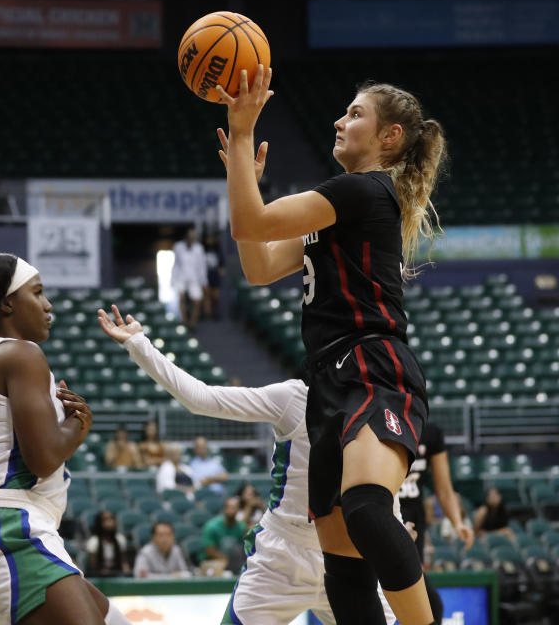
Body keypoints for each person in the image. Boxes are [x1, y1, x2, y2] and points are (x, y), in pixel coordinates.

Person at [217, 66, 446, 624]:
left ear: (389, 137)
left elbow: (251, 225)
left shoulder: (361, 189)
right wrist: (242, 172)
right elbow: (259, 263)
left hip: (372, 364)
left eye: (356, 113)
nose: (340, 121)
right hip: (326, 380)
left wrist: (243, 132)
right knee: (342, 568)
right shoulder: (338, 210)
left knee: (367, 510)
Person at [98, 303, 399, 623]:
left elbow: (383, 489)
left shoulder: (381, 410)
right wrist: (139, 344)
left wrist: (394, 535)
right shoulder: (293, 399)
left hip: (349, 555)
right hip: (282, 557)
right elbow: (201, 398)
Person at [0, 252, 130, 624]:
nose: (48, 305)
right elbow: (44, 457)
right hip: (8, 528)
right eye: (38, 293)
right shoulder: (20, 353)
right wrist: (78, 425)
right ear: (7, 303)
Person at [398, 422, 474, 621]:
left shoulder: (430, 432)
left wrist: (458, 523)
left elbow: (444, 488)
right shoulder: (379, 419)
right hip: (384, 512)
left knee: (428, 606)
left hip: (414, 516)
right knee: (426, 604)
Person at [172, 227, 207, 329]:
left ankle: (192, 323)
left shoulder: (199, 249)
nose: (191, 239)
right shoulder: (178, 246)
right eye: (189, 237)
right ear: (186, 237)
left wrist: (204, 281)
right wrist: (173, 280)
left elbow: (201, 266)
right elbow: (176, 264)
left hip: (194, 279)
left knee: (196, 302)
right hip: (181, 277)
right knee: (181, 298)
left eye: (193, 237)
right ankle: (184, 320)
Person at [200, 497, 246, 569]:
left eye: (233, 508)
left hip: (235, 562)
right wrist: (229, 561)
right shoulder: (212, 526)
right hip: (214, 562)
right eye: (229, 507)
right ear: (224, 509)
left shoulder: (241, 527)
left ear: (239, 510)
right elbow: (209, 552)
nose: (230, 510)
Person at [84, 511, 130, 578]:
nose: (110, 523)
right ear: (99, 523)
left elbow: (123, 561)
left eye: (112, 519)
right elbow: (92, 565)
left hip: (116, 574)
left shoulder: (120, 539)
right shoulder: (93, 542)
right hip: (98, 576)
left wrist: (126, 570)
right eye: (106, 520)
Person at [203, 233, 224, 320]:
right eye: (208, 239)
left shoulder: (218, 251)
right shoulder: (203, 250)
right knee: (207, 296)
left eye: (211, 239)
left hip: (215, 276)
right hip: (205, 275)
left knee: (215, 297)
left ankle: (215, 312)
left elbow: (222, 264)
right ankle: (207, 313)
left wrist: (221, 272)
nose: (210, 241)